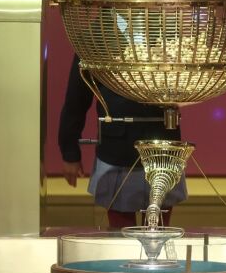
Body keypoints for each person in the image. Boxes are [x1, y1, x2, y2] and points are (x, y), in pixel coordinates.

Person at [58, 54, 185, 228]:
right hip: (117, 149)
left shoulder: (168, 37)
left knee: (159, 231)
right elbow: (76, 98)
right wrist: (70, 152)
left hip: (163, 146)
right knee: (120, 235)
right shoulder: (97, 40)